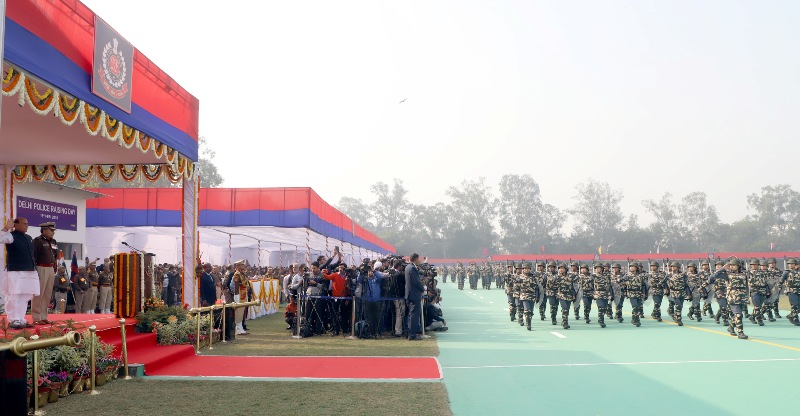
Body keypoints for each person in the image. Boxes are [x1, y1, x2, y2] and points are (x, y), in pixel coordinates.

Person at [0, 217, 39, 329]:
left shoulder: (29, 238)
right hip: (15, 271)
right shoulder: (10, 236)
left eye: (27, 224)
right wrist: (6, 228)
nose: (26, 226)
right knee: (14, 295)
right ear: (15, 225)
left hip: (29, 270)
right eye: (24, 223)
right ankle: (13, 319)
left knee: (26, 295)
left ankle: (21, 319)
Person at [31, 221, 58, 324]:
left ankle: (43, 316)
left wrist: (55, 265)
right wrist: (34, 270)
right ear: (44, 230)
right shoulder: (38, 241)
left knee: (47, 293)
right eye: (51, 230)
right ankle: (36, 317)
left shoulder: (53, 241)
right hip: (41, 267)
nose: (53, 232)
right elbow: (34, 256)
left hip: (51, 268)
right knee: (39, 293)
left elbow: (55, 255)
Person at [358, 263, 384, 339]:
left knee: (378, 317)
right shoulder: (365, 280)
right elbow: (359, 280)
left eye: (371, 271)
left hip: (377, 300)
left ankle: (378, 332)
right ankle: (371, 332)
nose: (370, 272)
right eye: (369, 271)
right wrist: (361, 271)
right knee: (369, 317)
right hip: (368, 300)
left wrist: (374, 270)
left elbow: (380, 277)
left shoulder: (377, 279)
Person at [405, 253, 425, 341]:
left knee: (411, 315)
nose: (419, 260)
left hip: (409, 294)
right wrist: (422, 289)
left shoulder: (408, 267)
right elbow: (416, 282)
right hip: (414, 294)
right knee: (414, 315)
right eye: (418, 259)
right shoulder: (412, 268)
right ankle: (412, 334)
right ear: (416, 259)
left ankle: (411, 333)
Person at [591, 263, 612, 328]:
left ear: (602, 269)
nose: (597, 269)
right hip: (598, 293)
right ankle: (601, 321)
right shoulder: (593, 276)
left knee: (604, 308)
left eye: (599, 268)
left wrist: (611, 294)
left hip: (605, 293)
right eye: (596, 268)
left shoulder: (607, 276)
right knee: (601, 307)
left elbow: (610, 285)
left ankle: (601, 318)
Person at [780, 259, 800, 325]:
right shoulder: (787, 272)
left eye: (792, 264)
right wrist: (779, 288)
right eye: (789, 264)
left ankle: (791, 315)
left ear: (795, 264)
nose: (790, 265)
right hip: (791, 290)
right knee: (795, 304)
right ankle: (795, 319)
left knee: (798, 306)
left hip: (799, 290)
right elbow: (781, 281)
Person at [232, 260, 249, 335]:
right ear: (238, 266)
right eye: (242, 265)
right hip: (239, 295)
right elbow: (236, 286)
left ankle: (241, 328)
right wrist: (236, 297)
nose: (243, 266)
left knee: (242, 312)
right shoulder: (237, 274)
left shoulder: (242, 274)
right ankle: (238, 329)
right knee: (238, 312)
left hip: (243, 295)